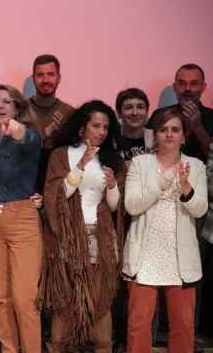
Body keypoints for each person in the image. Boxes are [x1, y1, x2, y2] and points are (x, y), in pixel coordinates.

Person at [41, 100, 123, 352]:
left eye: (106, 127)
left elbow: (113, 206)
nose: (101, 132)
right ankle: (58, 346)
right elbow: (57, 194)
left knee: (100, 300)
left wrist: (111, 186)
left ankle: (103, 347)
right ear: (81, 128)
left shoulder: (110, 157)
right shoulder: (61, 154)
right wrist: (81, 164)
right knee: (64, 300)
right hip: (67, 237)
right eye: (96, 125)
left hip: (99, 236)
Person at [124, 107, 207, 352]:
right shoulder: (140, 163)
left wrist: (185, 187)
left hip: (179, 256)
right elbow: (132, 205)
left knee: (183, 324)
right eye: (163, 130)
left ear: (184, 136)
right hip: (145, 254)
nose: (169, 135)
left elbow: (200, 209)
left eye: (175, 130)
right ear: (154, 135)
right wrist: (163, 180)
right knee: (139, 324)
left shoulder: (196, 165)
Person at [0, 84, 42, 353]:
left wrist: (18, 131)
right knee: (1, 299)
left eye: (6, 101)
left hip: (23, 220)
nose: (0, 106)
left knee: (23, 299)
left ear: (17, 107)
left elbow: (27, 138)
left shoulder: (29, 136)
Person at [26, 54, 75, 192]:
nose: (46, 80)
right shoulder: (21, 111)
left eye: (51, 75)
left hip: (61, 185)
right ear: (33, 79)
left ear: (59, 78)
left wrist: (63, 135)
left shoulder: (70, 113)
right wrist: (42, 136)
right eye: (40, 75)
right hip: (28, 184)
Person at [149, 63, 211, 163]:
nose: (187, 88)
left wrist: (198, 127)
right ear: (174, 87)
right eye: (182, 83)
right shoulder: (158, 115)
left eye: (194, 83)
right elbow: (148, 152)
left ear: (203, 87)